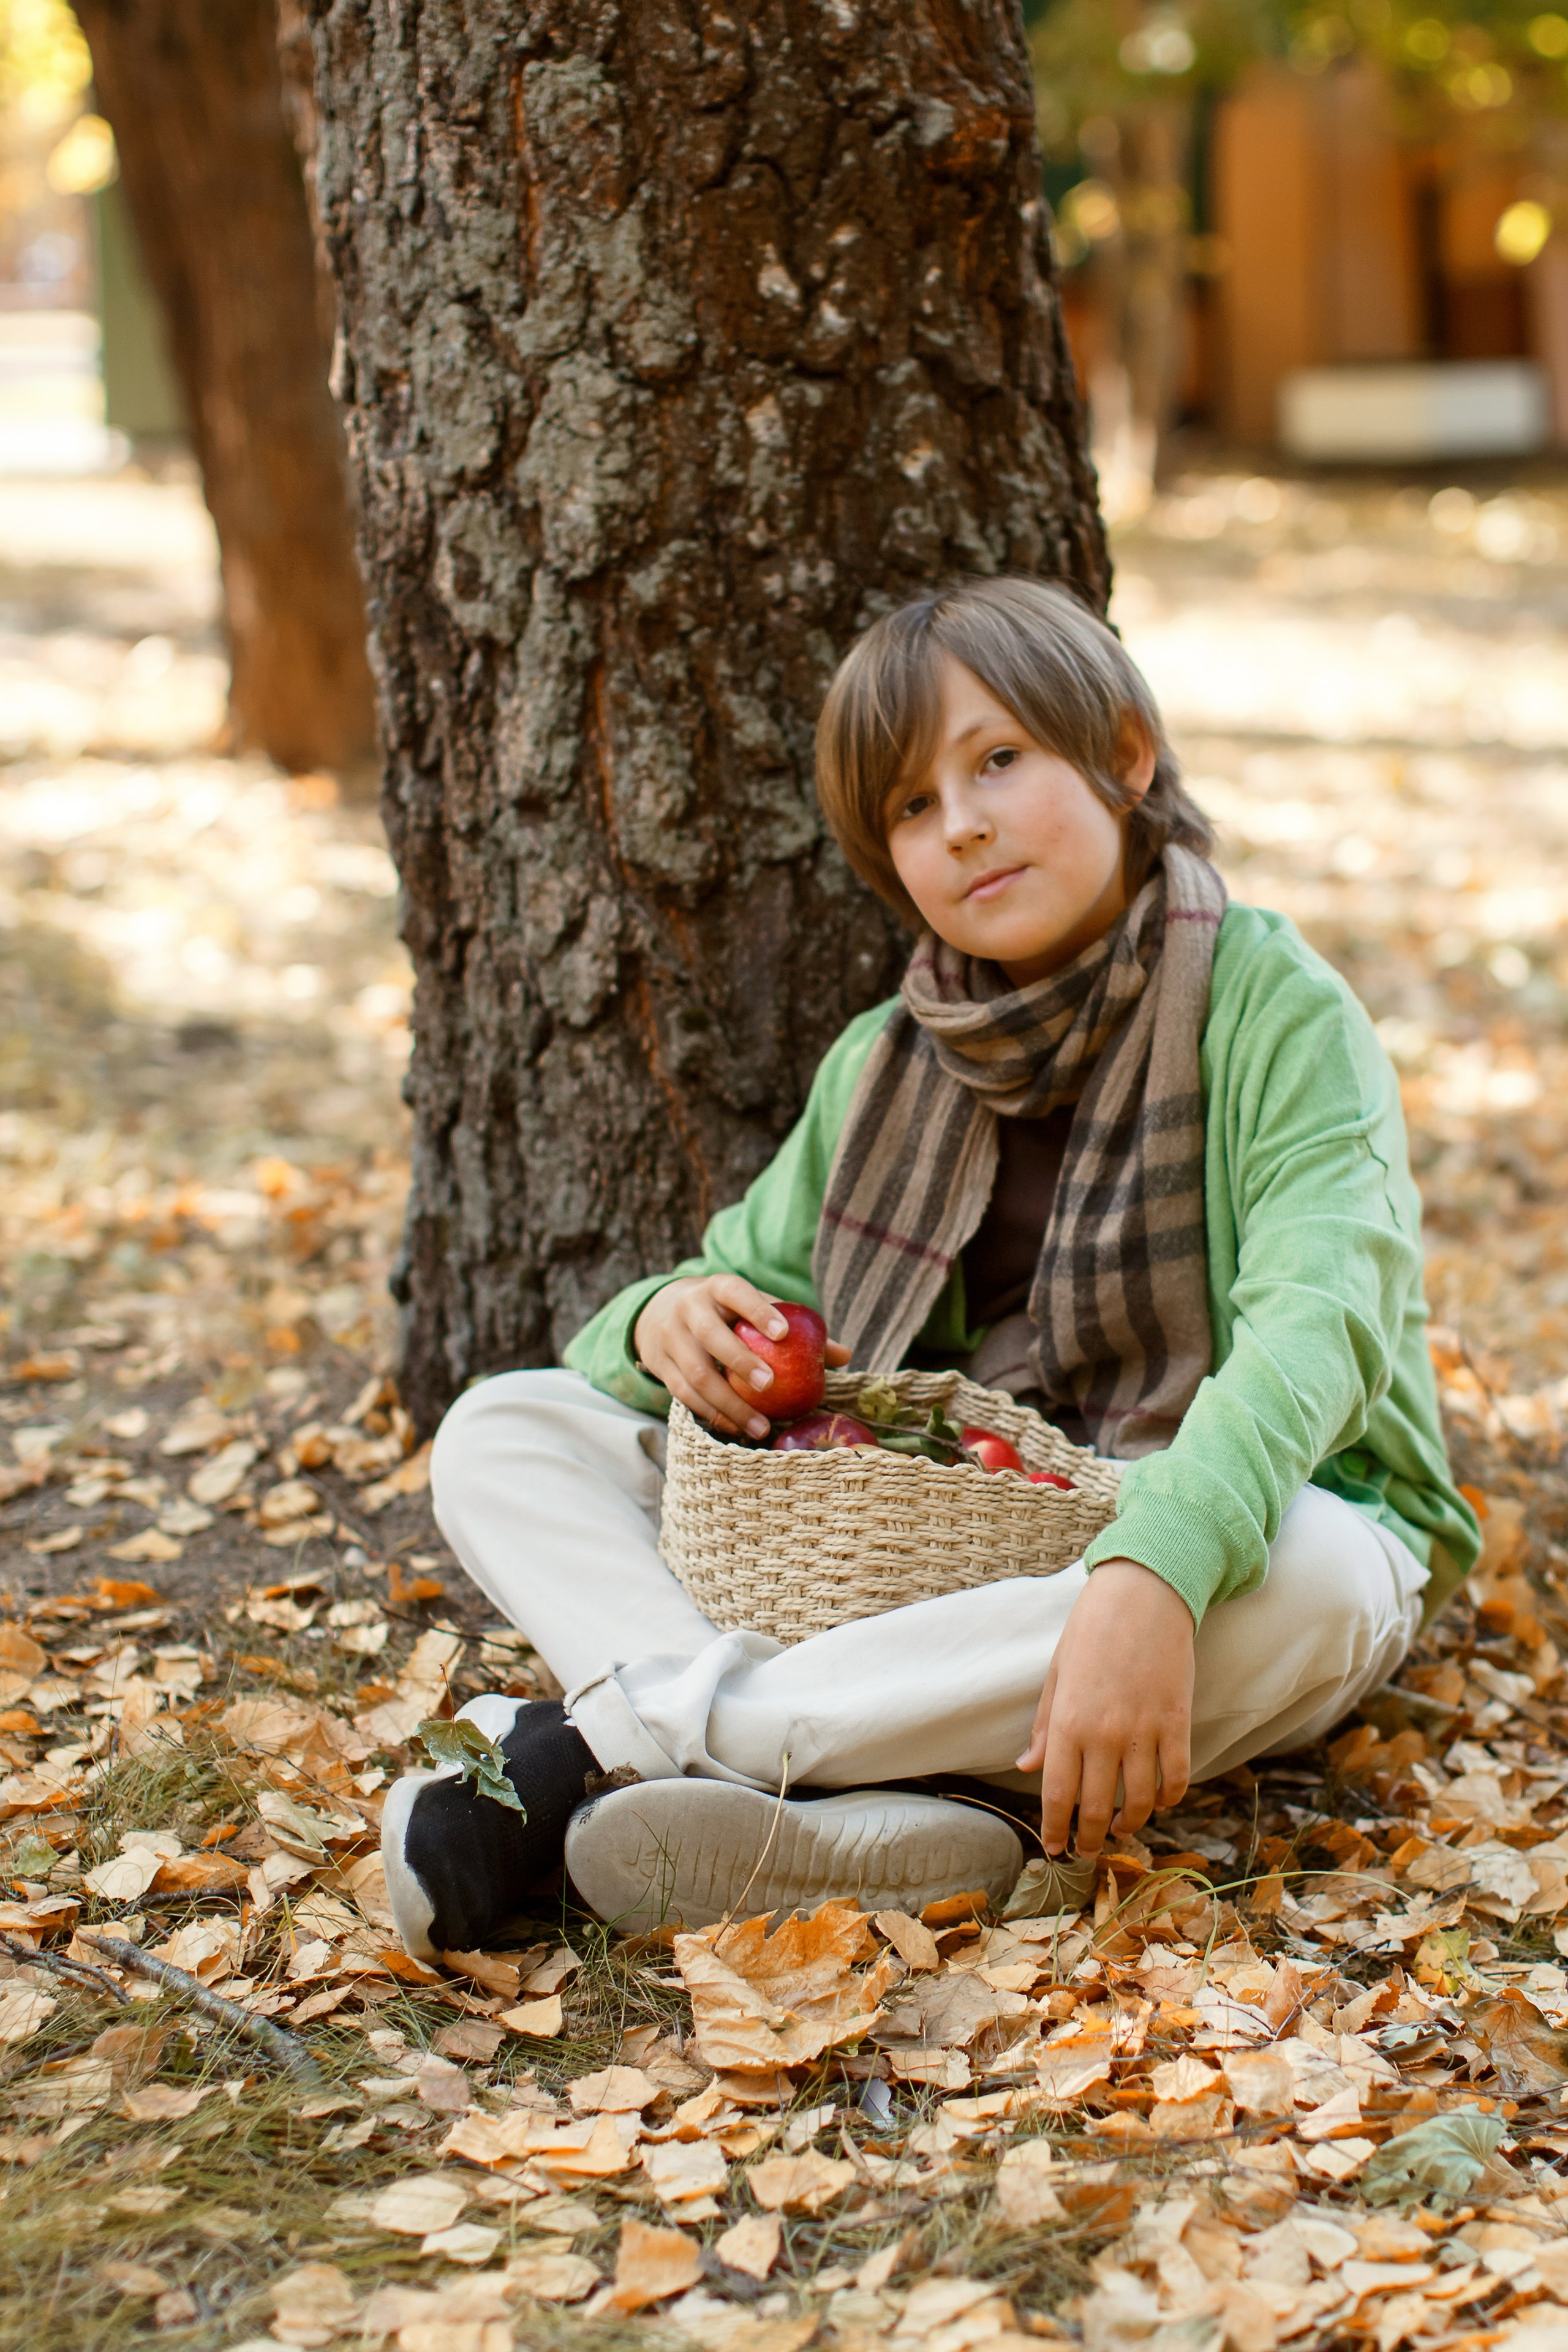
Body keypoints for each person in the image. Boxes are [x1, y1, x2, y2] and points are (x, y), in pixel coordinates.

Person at [380, 576, 1479, 1960]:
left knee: (1325, 1571)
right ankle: (898, 1799)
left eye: (999, 760)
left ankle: (616, 1745)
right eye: (909, 805)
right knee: (510, 1427)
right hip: (942, 1557)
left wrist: (1152, 1571)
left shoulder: (1276, 1012)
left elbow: (1313, 1336)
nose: (958, 821)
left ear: (1123, 756)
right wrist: (665, 1320)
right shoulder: (885, 1061)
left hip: (1193, 1531)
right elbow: (739, 1282)